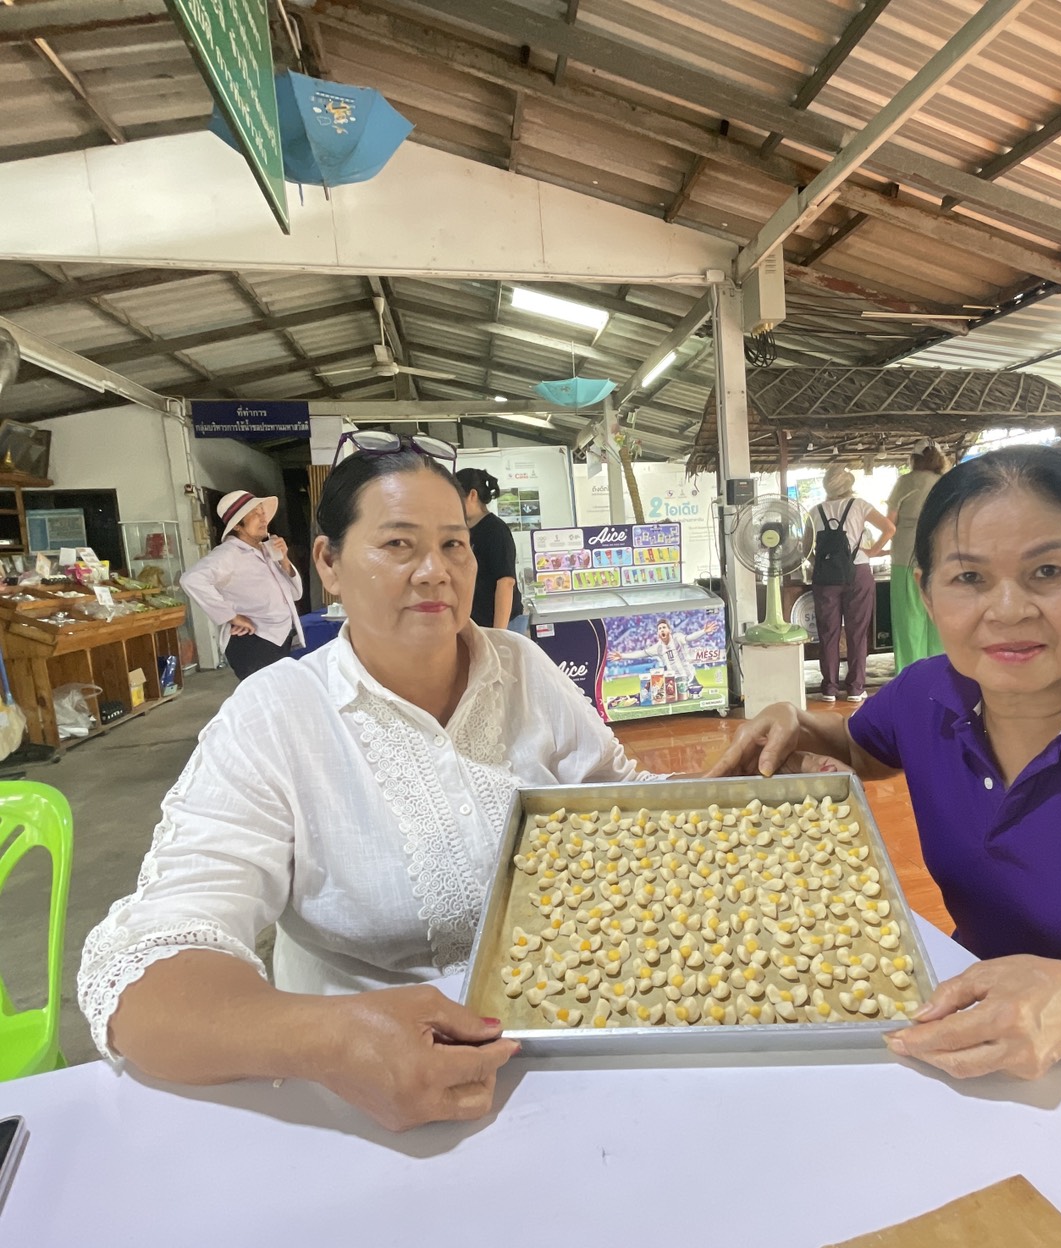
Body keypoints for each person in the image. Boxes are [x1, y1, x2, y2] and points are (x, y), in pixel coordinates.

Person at [709, 445, 1061, 1173]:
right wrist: (795, 721)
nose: (1008, 611)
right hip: (981, 1076)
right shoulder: (930, 693)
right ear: (925, 592)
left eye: (1048, 572)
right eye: (970, 578)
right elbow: (862, 746)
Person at [79, 436, 654, 1131]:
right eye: (398, 545)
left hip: (555, 1052)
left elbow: (628, 804)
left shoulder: (522, 668)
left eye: (454, 545)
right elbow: (147, 963)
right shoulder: (277, 716)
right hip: (355, 1108)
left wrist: (748, 775)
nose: (435, 572)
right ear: (329, 563)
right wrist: (328, 1041)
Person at [181, 489, 304, 679]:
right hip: (254, 641)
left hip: (277, 638)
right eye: (255, 514)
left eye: (262, 512)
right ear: (237, 525)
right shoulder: (229, 553)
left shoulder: (265, 550)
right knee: (262, 695)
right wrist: (231, 616)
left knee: (279, 693)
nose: (263, 518)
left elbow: (295, 594)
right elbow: (192, 579)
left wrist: (284, 560)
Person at [808, 465, 893, 703]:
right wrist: (872, 551)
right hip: (858, 572)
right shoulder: (860, 505)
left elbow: (806, 549)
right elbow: (890, 528)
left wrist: (823, 563)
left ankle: (829, 689)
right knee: (857, 632)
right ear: (849, 484)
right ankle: (855, 688)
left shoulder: (815, 511)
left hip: (826, 578)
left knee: (828, 633)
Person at [885, 438, 946, 671]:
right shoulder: (945, 482)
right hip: (940, 556)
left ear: (914, 458)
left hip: (905, 556)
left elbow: (890, 521)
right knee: (938, 618)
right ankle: (941, 672)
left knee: (908, 619)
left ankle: (911, 674)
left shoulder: (905, 482)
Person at [456, 467, 525, 634]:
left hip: (500, 624)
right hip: (476, 624)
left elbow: (506, 582)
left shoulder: (495, 530)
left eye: (455, 498)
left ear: (472, 495)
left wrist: (499, 634)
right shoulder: (463, 530)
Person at [608, 615, 716, 689]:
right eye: (659, 629)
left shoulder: (677, 638)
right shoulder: (658, 647)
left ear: (669, 630)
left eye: (664, 627)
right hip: (674, 680)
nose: (662, 629)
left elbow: (689, 638)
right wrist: (622, 656)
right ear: (658, 633)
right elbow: (641, 653)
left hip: (690, 677)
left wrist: (703, 631)